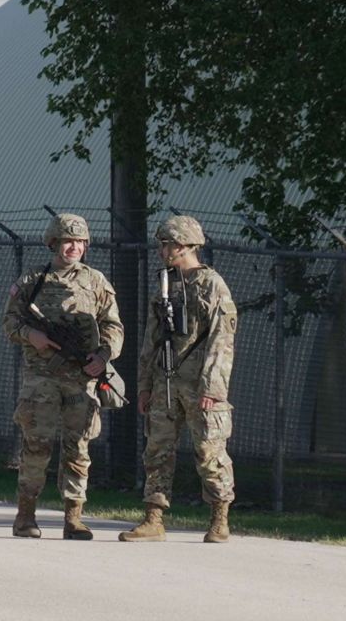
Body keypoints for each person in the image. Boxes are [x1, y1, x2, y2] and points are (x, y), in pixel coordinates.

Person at [2, 213, 124, 540]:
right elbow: (9, 323)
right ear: (53, 242)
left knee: (79, 447)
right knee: (36, 446)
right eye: (68, 241)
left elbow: (113, 326)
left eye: (80, 242)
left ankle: (74, 518)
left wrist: (103, 356)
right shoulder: (32, 281)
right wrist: (31, 335)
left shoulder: (96, 281)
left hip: (80, 380)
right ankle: (25, 516)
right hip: (41, 379)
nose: (74, 247)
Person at [120, 215, 238, 543]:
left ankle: (219, 517)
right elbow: (151, 340)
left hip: (201, 384)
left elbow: (222, 340)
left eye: (168, 244)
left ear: (186, 245)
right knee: (157, 450)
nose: (163, 250)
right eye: (161, 244)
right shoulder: (165, 285)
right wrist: (145, 386)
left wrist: (213, 387)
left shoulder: (213, 285)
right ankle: (153, 517)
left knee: (209, 453)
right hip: (166, 382)